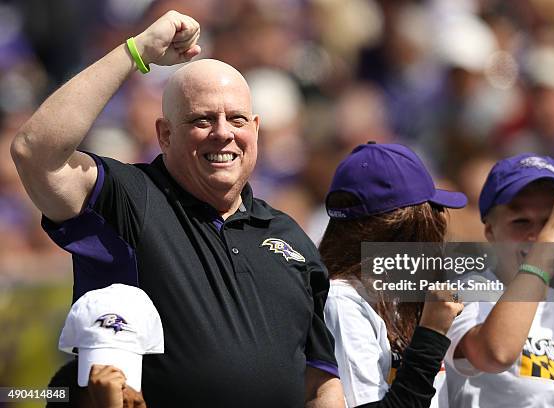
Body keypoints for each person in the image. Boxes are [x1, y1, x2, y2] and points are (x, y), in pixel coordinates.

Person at [11, 10, 343, 407]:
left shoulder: (290, 236)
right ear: (165, 134)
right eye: (202, 119)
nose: (223, 132)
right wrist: (135, 52)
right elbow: (35, 153)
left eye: (236, 118)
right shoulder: (132, 199)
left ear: (255, 129)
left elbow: (321, 383)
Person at [443, 153, 554, 407]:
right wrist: (549, 242)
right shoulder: (463, 293)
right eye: (521, 221)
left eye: (550, 221)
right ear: (490, 231)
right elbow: (496, 354)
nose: (538, 235)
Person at [320, 142, 466, 407]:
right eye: (432, 211)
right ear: (404, 227)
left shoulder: (406, 287)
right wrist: (431, 335)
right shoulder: (342, 301)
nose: (440, 221)